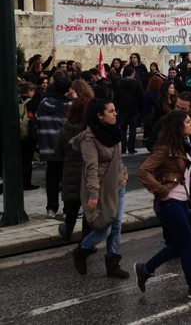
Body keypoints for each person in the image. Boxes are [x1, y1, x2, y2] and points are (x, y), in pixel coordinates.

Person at [135, 110, 191, 299]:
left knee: (179, 245)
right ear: (178, 126)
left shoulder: (184, 145)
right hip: (169, 202)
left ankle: (145, 269)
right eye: (188, 121)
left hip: (180, 202)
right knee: (189, 242)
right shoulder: (165, 149)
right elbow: (142, 171)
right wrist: (161, 190)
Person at [71, 99, 129, 278]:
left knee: (117, 225)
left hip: (117, 185)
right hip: (100, 188)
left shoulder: (114, 132)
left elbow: (118, 158)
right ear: (99, 115)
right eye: (110, 111)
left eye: (115, 110)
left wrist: (124, 175)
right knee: (105, 228)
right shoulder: (89, 138)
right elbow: (91, 168)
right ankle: (82, 249)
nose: (115, 114)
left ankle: (112, 263)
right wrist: (93, 195)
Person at [37, 73, 74, 218]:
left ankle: (51, 209)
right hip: (64, 148)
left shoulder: (42, 104)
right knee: (67, 180)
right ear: (67, 89)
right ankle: (67, 210)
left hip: (47, 147)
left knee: (51, 180)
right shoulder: (69, 105)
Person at [55, 98, 91, 241]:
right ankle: (87, 239)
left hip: (70, 171)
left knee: (71, 205)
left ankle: (67, 231)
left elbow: (57, 152)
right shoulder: (90, 129)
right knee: (88, 207)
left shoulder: (65, 129)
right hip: (88, 170)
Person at [114, 66, 144, 155]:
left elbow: (116, 97)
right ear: (132, 73)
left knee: (123, 130)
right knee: (133, 129)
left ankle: (123, 148)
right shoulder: (136, 83)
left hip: (123, 109)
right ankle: (131, 148)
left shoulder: (119, 83)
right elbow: (142, 96)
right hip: (134, 109)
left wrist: (118, 107)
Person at [19, 82, 39, 190]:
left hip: (17, 134)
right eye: (33, 91)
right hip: (29, 136)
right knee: (27, 160)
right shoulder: (33, 103)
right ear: (29, 91)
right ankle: (27, 183)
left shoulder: (16, 101)